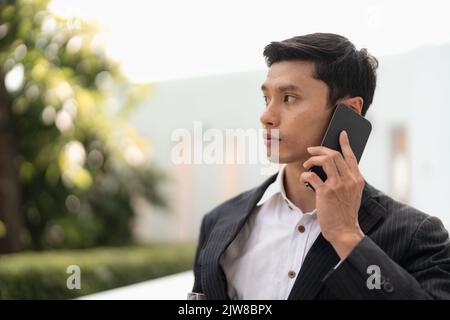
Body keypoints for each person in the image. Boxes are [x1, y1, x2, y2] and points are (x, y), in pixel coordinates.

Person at [190, 33, 450, 300]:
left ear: (349, 110)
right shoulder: (219, 222)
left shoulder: (416, 235)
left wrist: (347, 235)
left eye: (289, 98)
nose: (266, 116)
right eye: (266, 99)